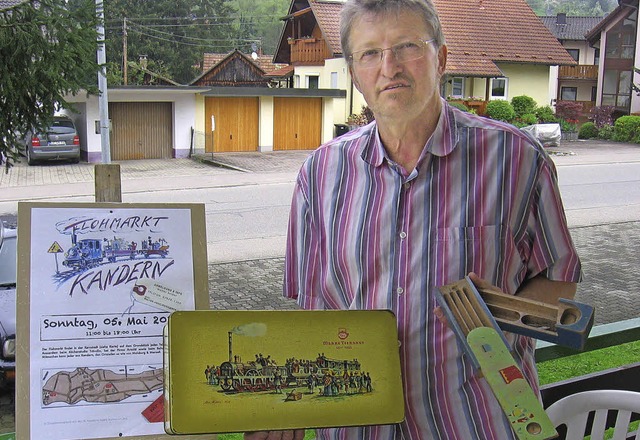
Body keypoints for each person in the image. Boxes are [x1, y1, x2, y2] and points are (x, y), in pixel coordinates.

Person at [245, 0, 581, 438]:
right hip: (356, 426)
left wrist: (503, 314)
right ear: (353, 72)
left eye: (406, 47)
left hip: (478, 421)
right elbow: (314, 312)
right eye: (370, 53)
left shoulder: (516, 159)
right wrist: (287, 406)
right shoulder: (320, 173)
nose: (389, 67)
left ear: (440, 58)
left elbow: (560, 280)